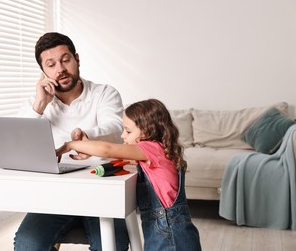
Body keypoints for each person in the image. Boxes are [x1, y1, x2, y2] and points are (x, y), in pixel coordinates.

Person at [15, 32, 130, 250]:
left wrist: (87, 138)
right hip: (55, 193)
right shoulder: (36, 102)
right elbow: (19, 143)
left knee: (112, 245)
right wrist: (40, 105)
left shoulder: (104, 93)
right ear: (44, 72)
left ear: (77, 59)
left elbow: (116, 129)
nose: (60, 69)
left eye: (65, 60)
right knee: (27, 243)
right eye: (51, 65)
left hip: (102, 189)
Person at [56, 99, 202, 251]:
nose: (123, 135)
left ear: (147, 130)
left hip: (171, 237)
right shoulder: (159, 151)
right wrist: (88, 151)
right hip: (171, 232)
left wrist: (69, 145)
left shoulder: (150, 148)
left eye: (128, 131)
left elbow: (107, 149)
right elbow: (115, 155)